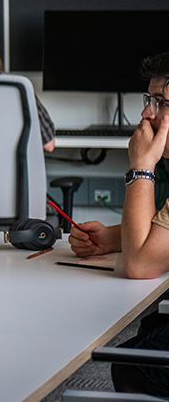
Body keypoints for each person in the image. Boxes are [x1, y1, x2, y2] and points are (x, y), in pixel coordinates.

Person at [68, 51, 169, 396]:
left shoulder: (157, 162)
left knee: (131, 360)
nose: (145, 113)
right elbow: (160, 229)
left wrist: (141, 166)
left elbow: (140, 265)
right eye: (149, 100)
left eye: (160, 102)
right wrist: (111, 239)